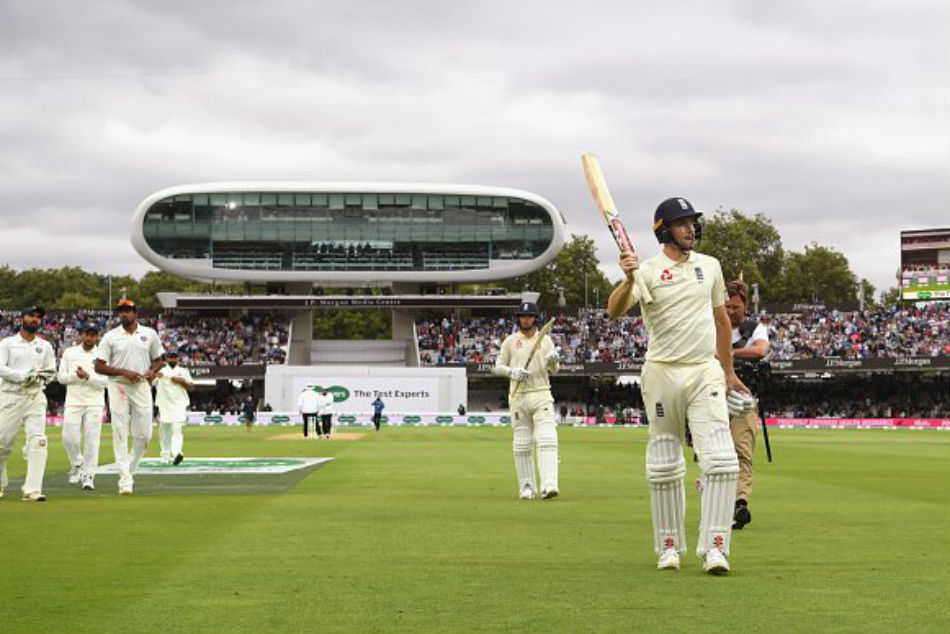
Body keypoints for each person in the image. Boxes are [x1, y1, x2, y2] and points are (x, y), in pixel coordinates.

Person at [606, 197, 749, 575]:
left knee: (721, 460)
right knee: (665, 464)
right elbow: (614, 310)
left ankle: (716, 548)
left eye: (692, 222)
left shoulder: (711, 266)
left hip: (704, 371)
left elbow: (722, 323)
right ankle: (669, 548)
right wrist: (627, 278)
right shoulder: (648, 271)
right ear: (664, 230)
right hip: (662, 373)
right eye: (682, 223)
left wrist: (728, 371)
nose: (691, 229)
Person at [94, 299, 165, 495]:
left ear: (136, 313)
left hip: (141, 385)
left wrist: (152, 371)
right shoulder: (111, 336)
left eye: (128, 311)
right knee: (120, 431)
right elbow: (99, 366)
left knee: (144, 436)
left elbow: (160, 360)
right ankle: (125, 479)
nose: (124, 314)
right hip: (118, 385)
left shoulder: (149, 334)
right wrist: (124, 372)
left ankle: (129, 470)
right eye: (121, 311)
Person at [492, 301, 561, 500]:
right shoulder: (510, 341)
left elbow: (554, 370)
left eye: (529, 316)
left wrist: (555, 361)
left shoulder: (546, 341)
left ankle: (549, 484)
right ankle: (527, 486)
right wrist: (512, 372)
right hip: (518, 396)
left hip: (541, 393)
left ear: (535, 319)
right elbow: (497, 367)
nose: (525, 319)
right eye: (522, 317)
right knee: (522, 443)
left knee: (546, 438)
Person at [724, 278, 770, 530]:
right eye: (726, 307)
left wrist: (729, 352)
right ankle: (719, 501)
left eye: (735, 307)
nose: (730, 312)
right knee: (715, 454)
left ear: (745, 306)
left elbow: (761, 350)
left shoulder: (755, 328)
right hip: (713, 396)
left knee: (742, 451)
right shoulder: (713, 324)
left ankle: (740, 502)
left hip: (743, 400)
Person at [0, 306, 56, 501]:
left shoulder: (45, 346)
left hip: (35, 397)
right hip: (10, 396)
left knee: (39, 441)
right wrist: (23, 376)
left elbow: (51, 371)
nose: (35, 319)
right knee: (2, 443)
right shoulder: (7, 343)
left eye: (38, 317)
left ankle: (32, 490)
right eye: (31, 316)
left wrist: (40, 378)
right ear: (22, 318)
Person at [57, 322, 107, 490]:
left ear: (97, 336)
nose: (89, 337)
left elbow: (107, 382)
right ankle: (77, 463)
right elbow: (61, 377)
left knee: (92, 440)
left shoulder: (103, 354)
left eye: (93, 334)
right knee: (68, 437)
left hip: (95, 402)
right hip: (73, 401)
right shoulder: (70, 352)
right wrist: (76, 376)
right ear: (81, 335)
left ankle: (88, 476)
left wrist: (88, 377)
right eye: (87, 334)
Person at [153, 349, 193, 465]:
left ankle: (177, 453)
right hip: (164, 404)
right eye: (170, 357)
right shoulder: (161, 370)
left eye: (174, 357)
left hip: (179, 404)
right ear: (167, 358)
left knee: (177, 428)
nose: (172, 359)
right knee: (164, 430)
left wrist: (181, 381)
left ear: (178, 358)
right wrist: (155, 374)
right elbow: (149, 382)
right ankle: (165, 456)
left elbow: (191, 387)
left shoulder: (183, 371)